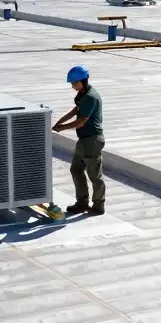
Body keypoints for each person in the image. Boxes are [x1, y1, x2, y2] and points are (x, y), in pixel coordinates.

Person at [53, 65, 106, 216]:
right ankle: (82, 202)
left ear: (84, 80)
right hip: (83, 140)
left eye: (75, 83)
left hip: (93, 140)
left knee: (94, 175)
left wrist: (62, 128)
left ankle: (98, 205)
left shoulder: (90, 97)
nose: (73, 86)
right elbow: (75, 111)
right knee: (76, 169)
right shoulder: (83, 94)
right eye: (72, 83)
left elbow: (81, 121)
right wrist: (59, 123)